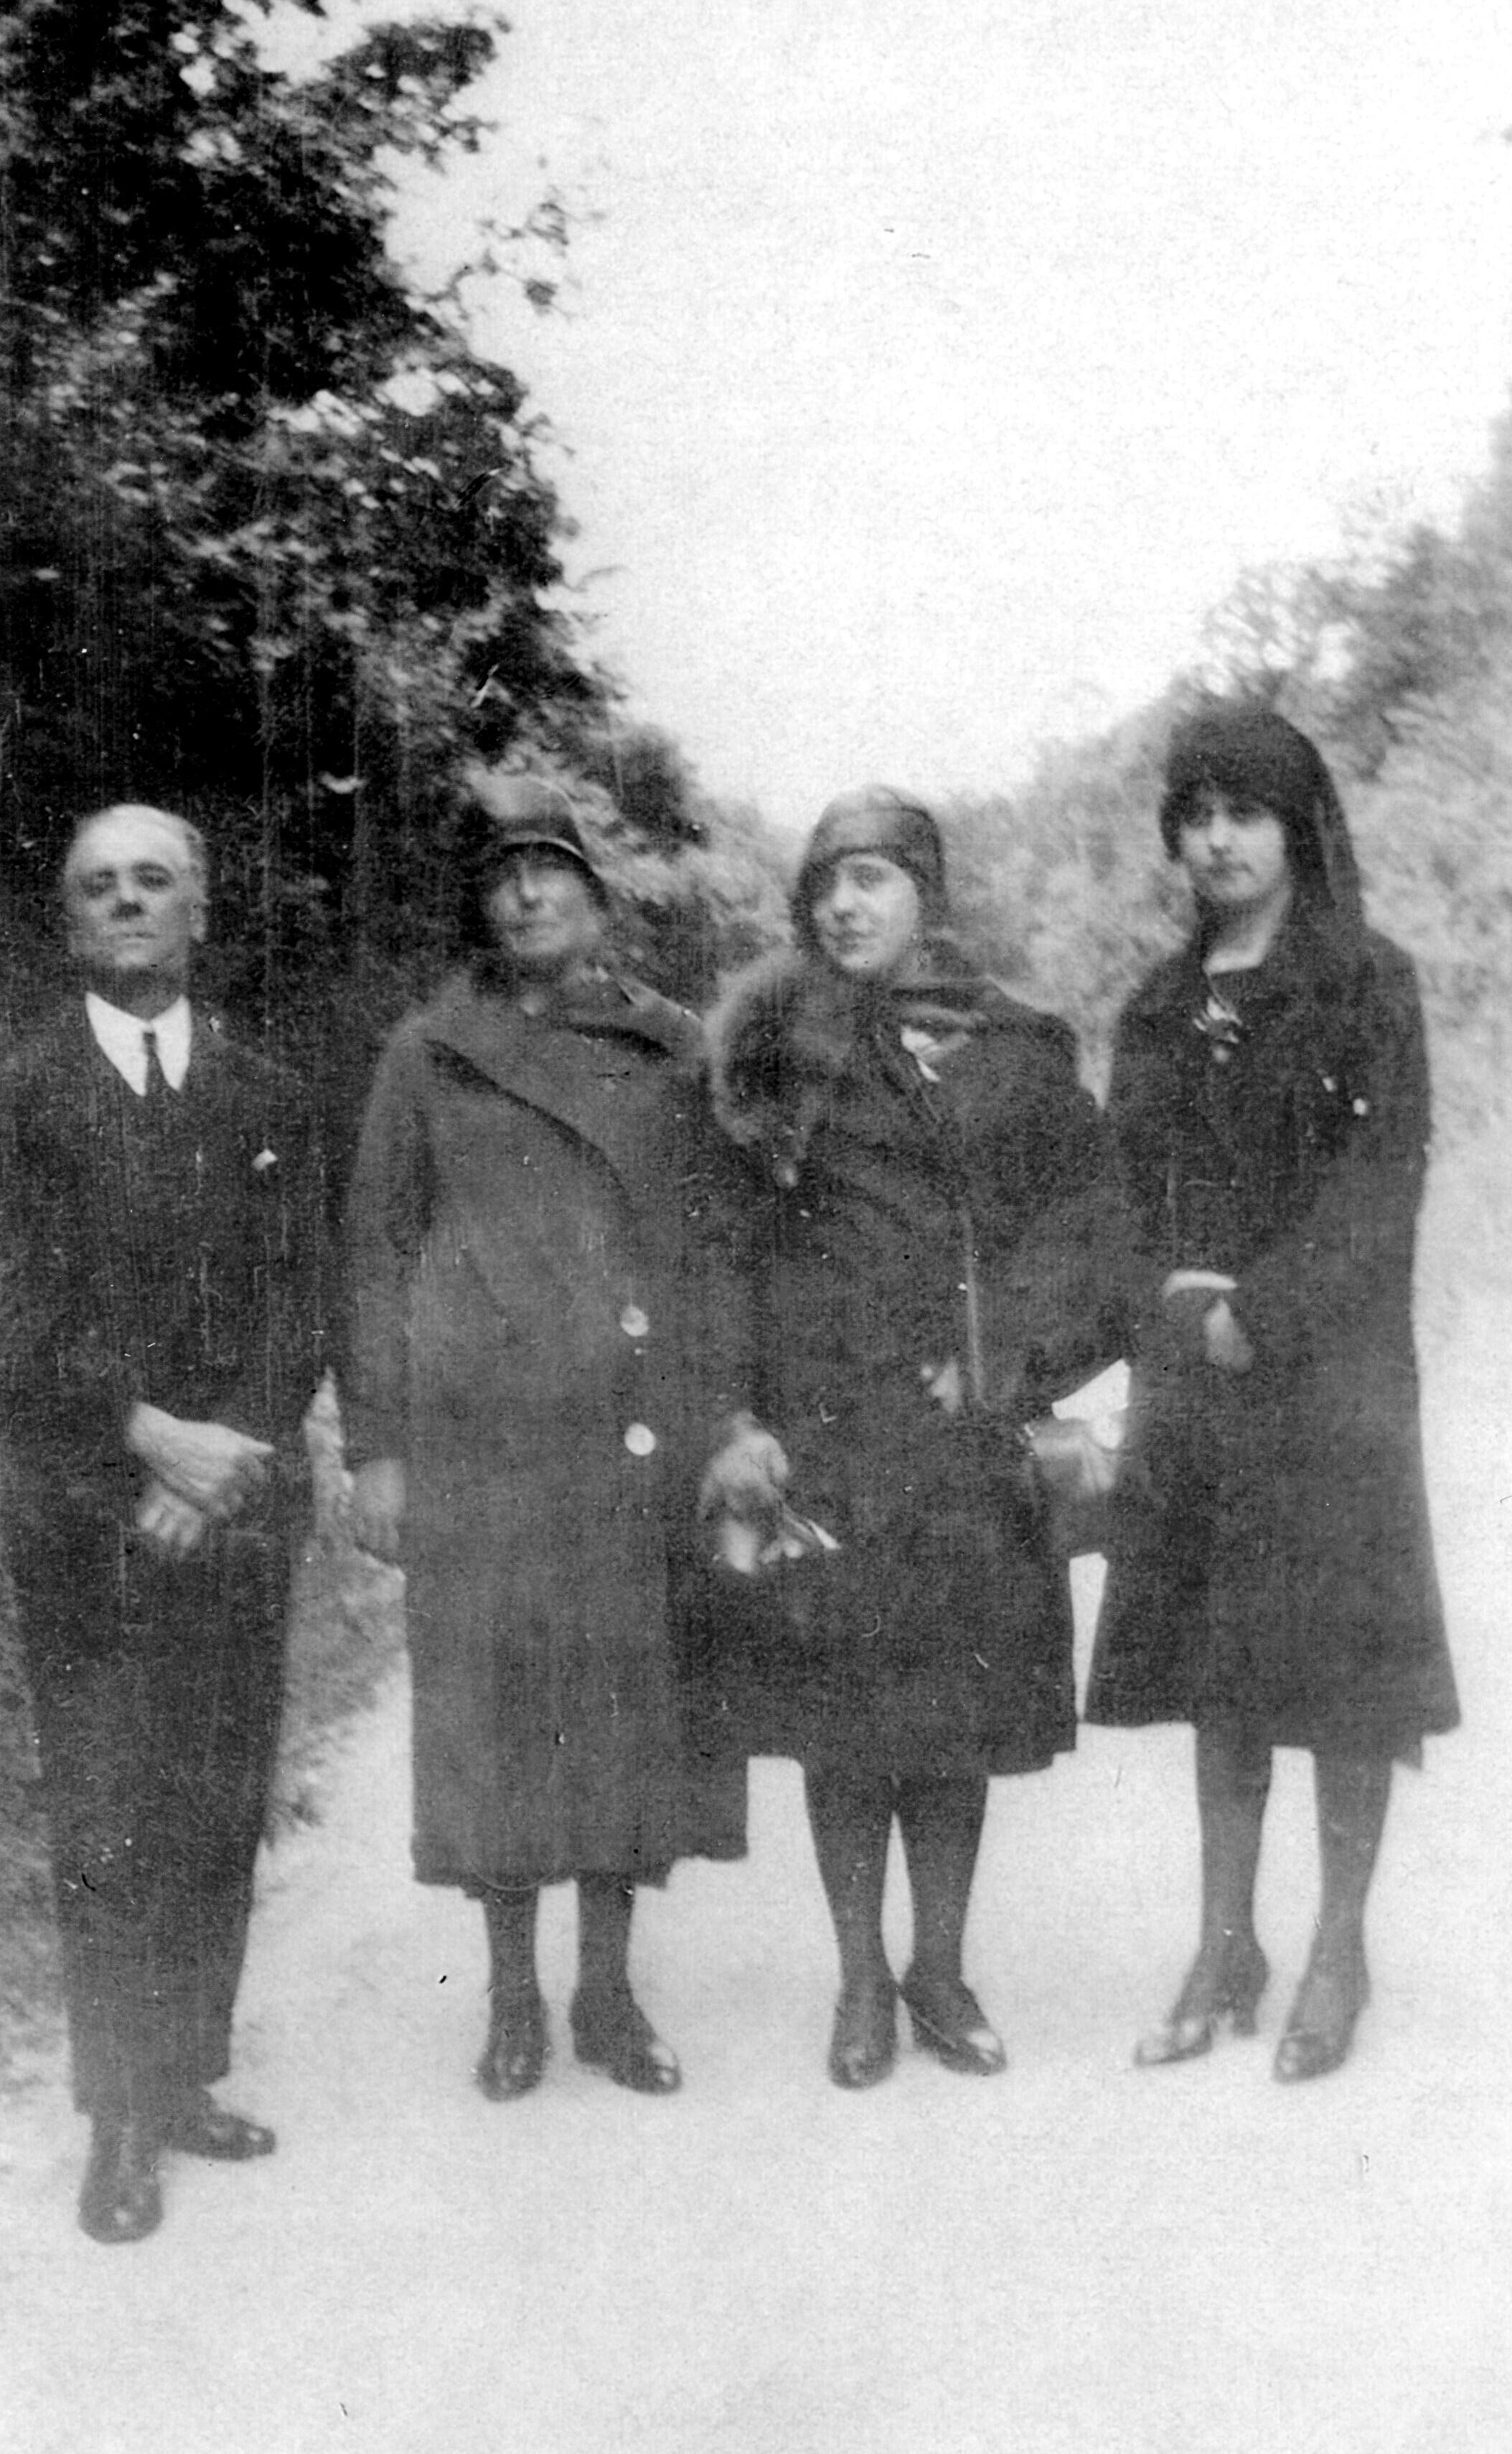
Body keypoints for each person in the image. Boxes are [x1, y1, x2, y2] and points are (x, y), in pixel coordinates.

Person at [705, 787, 1125, 2089]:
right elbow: (719, 1248)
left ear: (926, 897)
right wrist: (734, 1417)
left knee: (953, 1716)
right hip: (826, 1431)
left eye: (873, 879)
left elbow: (1093, 1231)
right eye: (826, 883)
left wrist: (1004, 1357)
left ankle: (938, 1971)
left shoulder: (1014, 1049)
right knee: (842, 1725)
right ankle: (859, 1981)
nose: (845, 905)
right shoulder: (769, 1050)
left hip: (963, 1444)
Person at [344, 794, 753, 2102]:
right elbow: (374, 1253)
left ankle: (609, 1995)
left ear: (597, 896)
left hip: (628, 1429)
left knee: (626, 1717)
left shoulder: (668, 1045)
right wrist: (377, 1449)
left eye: (552, 871)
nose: (527, 896)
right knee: (499, 1719)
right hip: (483, 1436)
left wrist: (724, 1416)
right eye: (505, 876)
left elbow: (711, 1245)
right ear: (482, 904)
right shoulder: (429, 1051)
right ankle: (513, 1998)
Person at [1086, 701, 1457, 2081]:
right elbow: (1121, 1192)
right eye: (1194, 816)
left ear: (1298, 827)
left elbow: (1382, 1183)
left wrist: (1265, 1310)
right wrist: (1165, 1307)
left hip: (1331, 1377)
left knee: (1345, 1678)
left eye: (1243, 812)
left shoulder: (1369, 983)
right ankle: (1224, 1946)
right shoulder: (1156, 1006)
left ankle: (1339, 1950)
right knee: (1221, 1669)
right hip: (1196, 1376)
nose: (1217, 840)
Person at [0, 805, 326, 2244]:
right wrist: (149, 1437)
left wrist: (227, 1453)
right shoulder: (20, 1093)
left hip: (237, 1502)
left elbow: (304, 1296)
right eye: (99, 887)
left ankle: (186, 2074)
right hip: (85, 1504)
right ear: (70, 922)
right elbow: (13, 1310)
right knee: (110, 1808)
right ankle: (119, 2121)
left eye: (153, 880)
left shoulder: (267, 1092)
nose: (127, 902)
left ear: (200, 909)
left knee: (216, 1792)